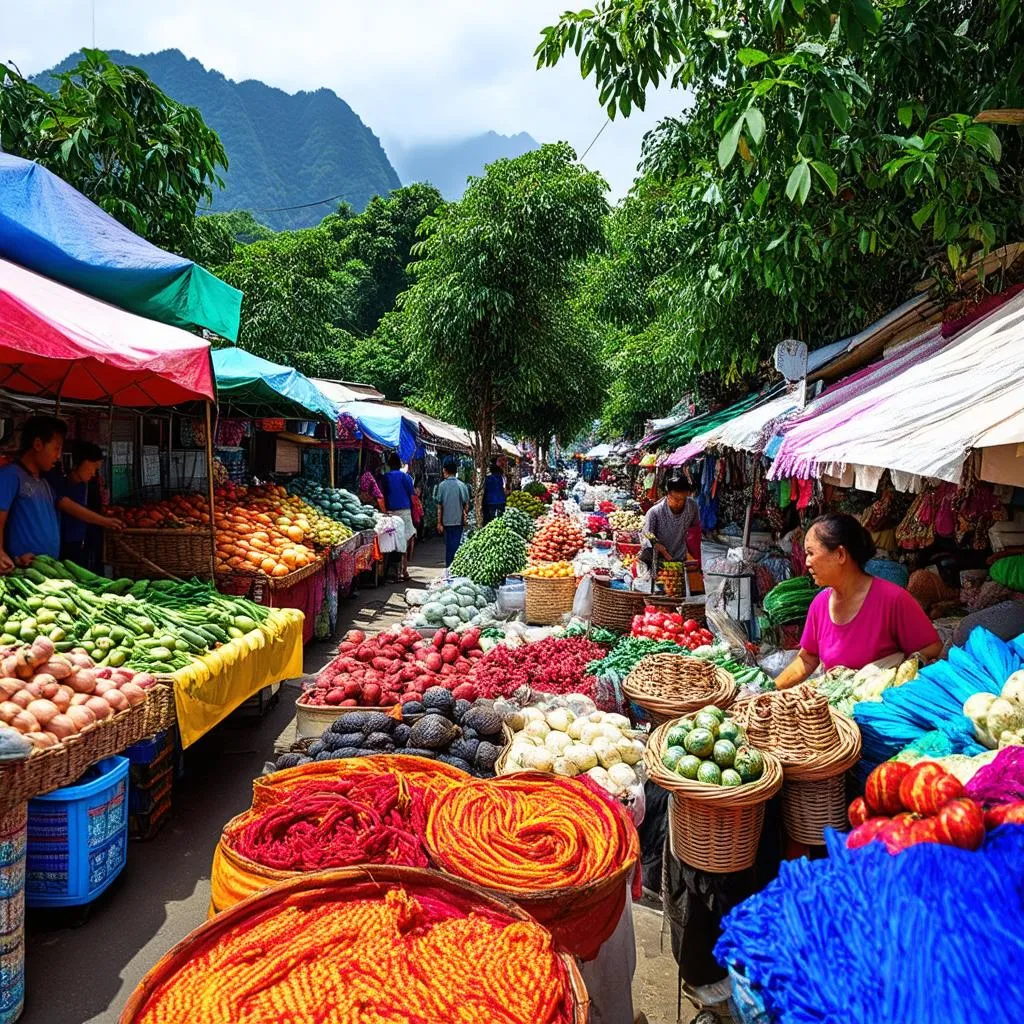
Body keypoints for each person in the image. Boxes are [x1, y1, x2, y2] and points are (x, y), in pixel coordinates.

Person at [775, 512, 943, 688]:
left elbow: (932, 647)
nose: (807, 562)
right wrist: (770, 689)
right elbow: (808, 658)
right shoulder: (820, 604)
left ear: (840, 554)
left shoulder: (893, 599)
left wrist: (892, 676)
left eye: (811, 553)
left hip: (881, 709)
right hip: (838, 709)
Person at [0, 417, 122, 574]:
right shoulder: (10, 476)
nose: (58, 456)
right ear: (38, 444)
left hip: (49, 569)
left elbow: (66, 504)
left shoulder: (44, 482)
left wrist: (104, 521)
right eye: (56, 448)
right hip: (23, 570)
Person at [51, 441, 114, 564]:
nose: (94, 473)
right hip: (64, 544)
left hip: (85, 543)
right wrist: (105, 521)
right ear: (82, 462)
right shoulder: (59, 485)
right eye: (94, 467)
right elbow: (68, 506)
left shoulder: (91, 486)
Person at [639, 477, 701, 569]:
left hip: (681, 558)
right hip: (658, 560)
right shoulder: (655, 512)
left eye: (683, 499)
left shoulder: (692, 506)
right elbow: (648, 534)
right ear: (668, 495)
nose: (680, 502)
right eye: (676, 499)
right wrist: (658, 546)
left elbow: (694, 529)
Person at [380, 452, 415, 581]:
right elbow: (413, 496)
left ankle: (390, 572)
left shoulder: (385, 477)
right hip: (404, 512)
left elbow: (382, 495)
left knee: (390, 542)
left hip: (389, 512)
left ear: (389, 465)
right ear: (400, 464)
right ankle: (403, 571)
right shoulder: (404, 477)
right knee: (404, 541)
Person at [434, 459, 470, 567]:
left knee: (449, 547)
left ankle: (449, 568)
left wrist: (439, 523)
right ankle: (456, 567)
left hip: (446, 522)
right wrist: (464, 516)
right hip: (458, 521)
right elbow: (466, 504)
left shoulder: (441, 486)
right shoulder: (462, 485)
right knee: (457, 545)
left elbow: (439, 506)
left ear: (445, 470)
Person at [483, 460, 507, 524]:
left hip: (491, 501)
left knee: (492, 518)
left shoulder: (488, 478)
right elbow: (504, 488)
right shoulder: (501, 478)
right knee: (502, 518)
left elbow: (485, 488)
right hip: (501, 500)